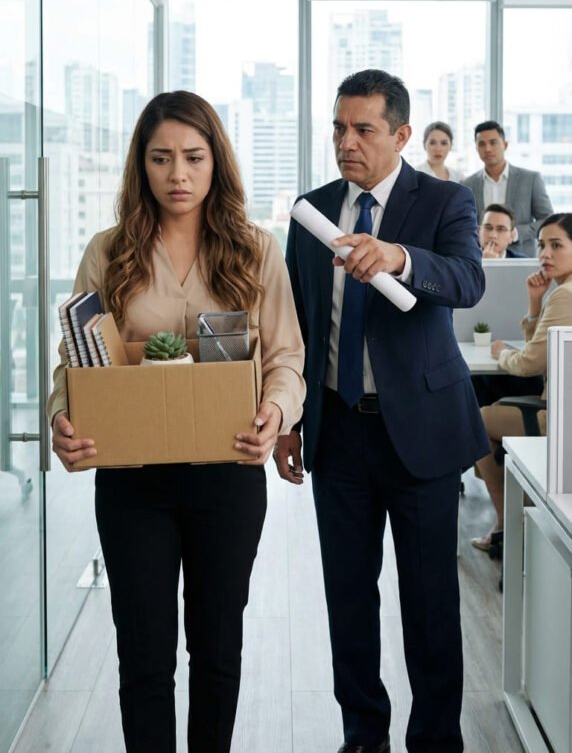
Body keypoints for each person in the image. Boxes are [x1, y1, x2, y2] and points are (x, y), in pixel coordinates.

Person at [47, 91, 306, 753]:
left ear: (217, 161)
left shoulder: (256, 250)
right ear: (142, 166)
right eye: (161, 159)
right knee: (144, 657)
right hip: (135, 482)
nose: (178, 175)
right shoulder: (109, 251)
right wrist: (61, 420)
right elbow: (73, 364)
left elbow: (286, 358)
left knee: (218, 651)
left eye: (193, 157)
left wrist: (276, 412)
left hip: (229, 471)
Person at [275, 69, 490, 753]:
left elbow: (466, 279)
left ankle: (434, 741)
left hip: (420, 437)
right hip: (338, 433)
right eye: (339, 128)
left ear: (400, 134)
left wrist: (397, 257)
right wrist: (290, 420)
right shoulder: (310, 211)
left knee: (430, 605)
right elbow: (300, 324)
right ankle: (363, 734)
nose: (347, 142)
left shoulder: (445, 201)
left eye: (363, 129)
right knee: (348, 600)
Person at [472, 212, 572, 552]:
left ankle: (508, 527)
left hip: (558, 418)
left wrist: (500, 353)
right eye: (542, 245)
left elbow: (530, 363)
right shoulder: (562, 292)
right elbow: (543, 351)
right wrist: (534, 305)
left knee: (476, 422)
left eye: (556, 245)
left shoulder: (565, 295)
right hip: (558, 409)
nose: (545, 254)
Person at [463, 120, 553, 256]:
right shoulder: (467, 184)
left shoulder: (530, 179)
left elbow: (548, 220)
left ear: (505, 145)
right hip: (479, 260)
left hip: (522, 259)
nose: (487, 149)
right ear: (476, 149)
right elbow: (464, 225)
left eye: (493, 142)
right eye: (482, 144)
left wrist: (514, 233)